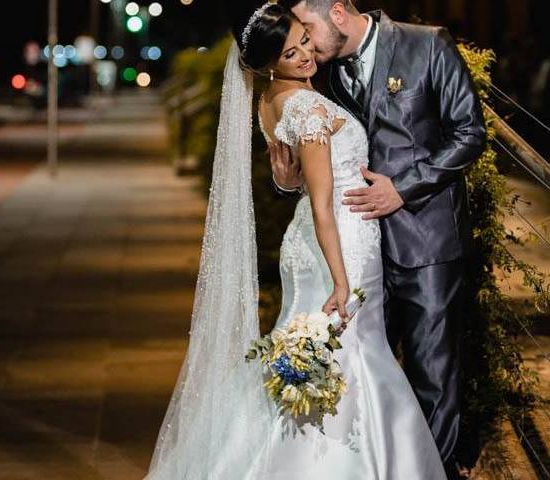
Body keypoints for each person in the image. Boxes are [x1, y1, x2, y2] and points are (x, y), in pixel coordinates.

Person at [144, 3, 449, 478]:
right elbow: (324, 202)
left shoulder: (270, 99)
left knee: (319, 356)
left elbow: (293, 182)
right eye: (291, 52)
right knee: (351, 353)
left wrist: (291, 185)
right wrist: (342, 280)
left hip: (310, 240)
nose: (307, 54)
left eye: (304, 39)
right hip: (340, 242)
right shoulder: (306, 106)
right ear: (268, 62)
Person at [270, 2, 486, 477]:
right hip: (355, 249)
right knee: (365, 381)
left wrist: (403, 188)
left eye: (308, 31)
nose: (304, 44)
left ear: (339, 14)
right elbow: (319, 158)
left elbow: (470, 133)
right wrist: (289, 180)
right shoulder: (321, 73)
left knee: (432, 377)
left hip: (424, 243)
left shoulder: (427, 44)